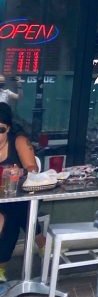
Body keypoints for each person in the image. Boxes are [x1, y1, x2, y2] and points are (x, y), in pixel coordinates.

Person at [0, 103, 38, 283]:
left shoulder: (19, 141)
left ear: (9, 128)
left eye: (0, 129)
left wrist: (20, 172)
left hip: (19, 196)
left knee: (12, 213)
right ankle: (42, 239)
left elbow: (33, 168)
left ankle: (0, 267)